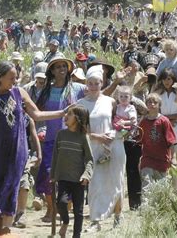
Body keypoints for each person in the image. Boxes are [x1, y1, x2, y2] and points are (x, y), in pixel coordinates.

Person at [0, 61, 68, 236]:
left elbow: (37, 114)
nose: (15, 81)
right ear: (0, 77)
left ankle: (6, 229)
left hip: (17, 149)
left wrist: (62, 112)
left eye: (16, 77)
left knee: (12, 186)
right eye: (11, 78)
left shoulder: (19, 93)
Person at [35, 55, 85, 223]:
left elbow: (94, 98)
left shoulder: (78, 88)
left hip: (72, 140)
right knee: (48, 175)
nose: (61, 69)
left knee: (70, 176)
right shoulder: (46, 91)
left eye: (64, 66)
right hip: (51, 140)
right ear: (52, 71)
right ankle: (51, 208)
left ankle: (65, 209)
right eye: (57, 67)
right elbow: (37, 112)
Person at [78, 65, 125, 232]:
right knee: (95, 184)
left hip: (113, 145)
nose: (93, 86)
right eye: (90, 83)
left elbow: (118, 119)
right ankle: (95, 220)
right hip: (93, 147)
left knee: (116, 180)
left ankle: (118, 216)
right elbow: (80, 128)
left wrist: (116, 133)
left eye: (96, 83)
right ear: (86, 84)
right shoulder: (81, 104)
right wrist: (97, 137)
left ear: (101, 83)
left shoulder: (110, 101)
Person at [51, 105, 94, 238]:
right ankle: (65, 221)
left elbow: (90, 160)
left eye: (69, 114)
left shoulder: (83, 137)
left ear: (77, 118)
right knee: (61, 203)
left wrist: (86, 175)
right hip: (63, 177)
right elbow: (55, 156)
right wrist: (53, 175)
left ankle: (76, 235)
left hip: (78, 180)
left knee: (78, 211)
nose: (66, 116)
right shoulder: (61, 134)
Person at [138, 93, 177, 193]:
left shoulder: (164, 121)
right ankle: (146, 208)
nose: (152, 104)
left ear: (159, 105)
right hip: (147, 159)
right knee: (146, 186)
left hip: (162, 160)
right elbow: (139, 140)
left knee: (161, 188)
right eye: (149, 102)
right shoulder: (143, 122)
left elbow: (171, 141)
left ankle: (160, 207)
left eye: (155, 102)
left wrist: (173, 157)